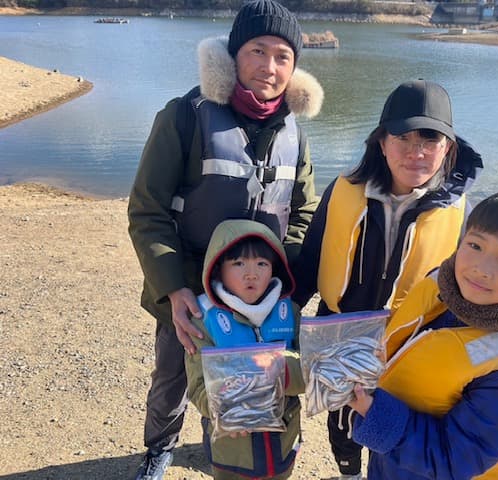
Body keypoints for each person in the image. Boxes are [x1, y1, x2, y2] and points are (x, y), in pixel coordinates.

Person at [127, 1, 323, 478]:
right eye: (257, 50)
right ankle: (160, 446)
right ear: (234, 54)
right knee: (174, 374)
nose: (269, 67)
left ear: (294, 67)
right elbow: (147, 210)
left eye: (282, 56)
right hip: (190, 288)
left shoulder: (294, 132)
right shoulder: (184, 116)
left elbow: (304, 212)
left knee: (256, 374)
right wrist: (174, 289)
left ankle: (229, 445)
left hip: (261, 289)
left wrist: (286, 285)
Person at [292, 79, 483, 479]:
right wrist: (283, 309)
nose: (416, 152)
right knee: (343, 419)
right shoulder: (343, 191)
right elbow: (309, 259)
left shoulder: (462, 213)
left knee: (397, 423)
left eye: (430, 140)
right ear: (381, 142)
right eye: (403, 137)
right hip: (342, 330)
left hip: (409, 341)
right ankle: (348, 473)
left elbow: (471, 287)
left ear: (448, 147)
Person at [348, 188, 498, 479]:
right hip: (393, 461)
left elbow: (453, 460)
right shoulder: (446, 290)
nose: (481, 269)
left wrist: (376, 414)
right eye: (475, 246)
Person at [185, 219, 304, 479]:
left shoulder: (289, 313)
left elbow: (309, 370)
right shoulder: (203, 319)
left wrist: (282, 370)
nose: (252, 273)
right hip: (231, 449)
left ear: (274, 268)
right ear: (217, 270)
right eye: (238, 264)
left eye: (262, 263)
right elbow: (196, 387)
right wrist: (221, 409)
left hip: (283, 440)